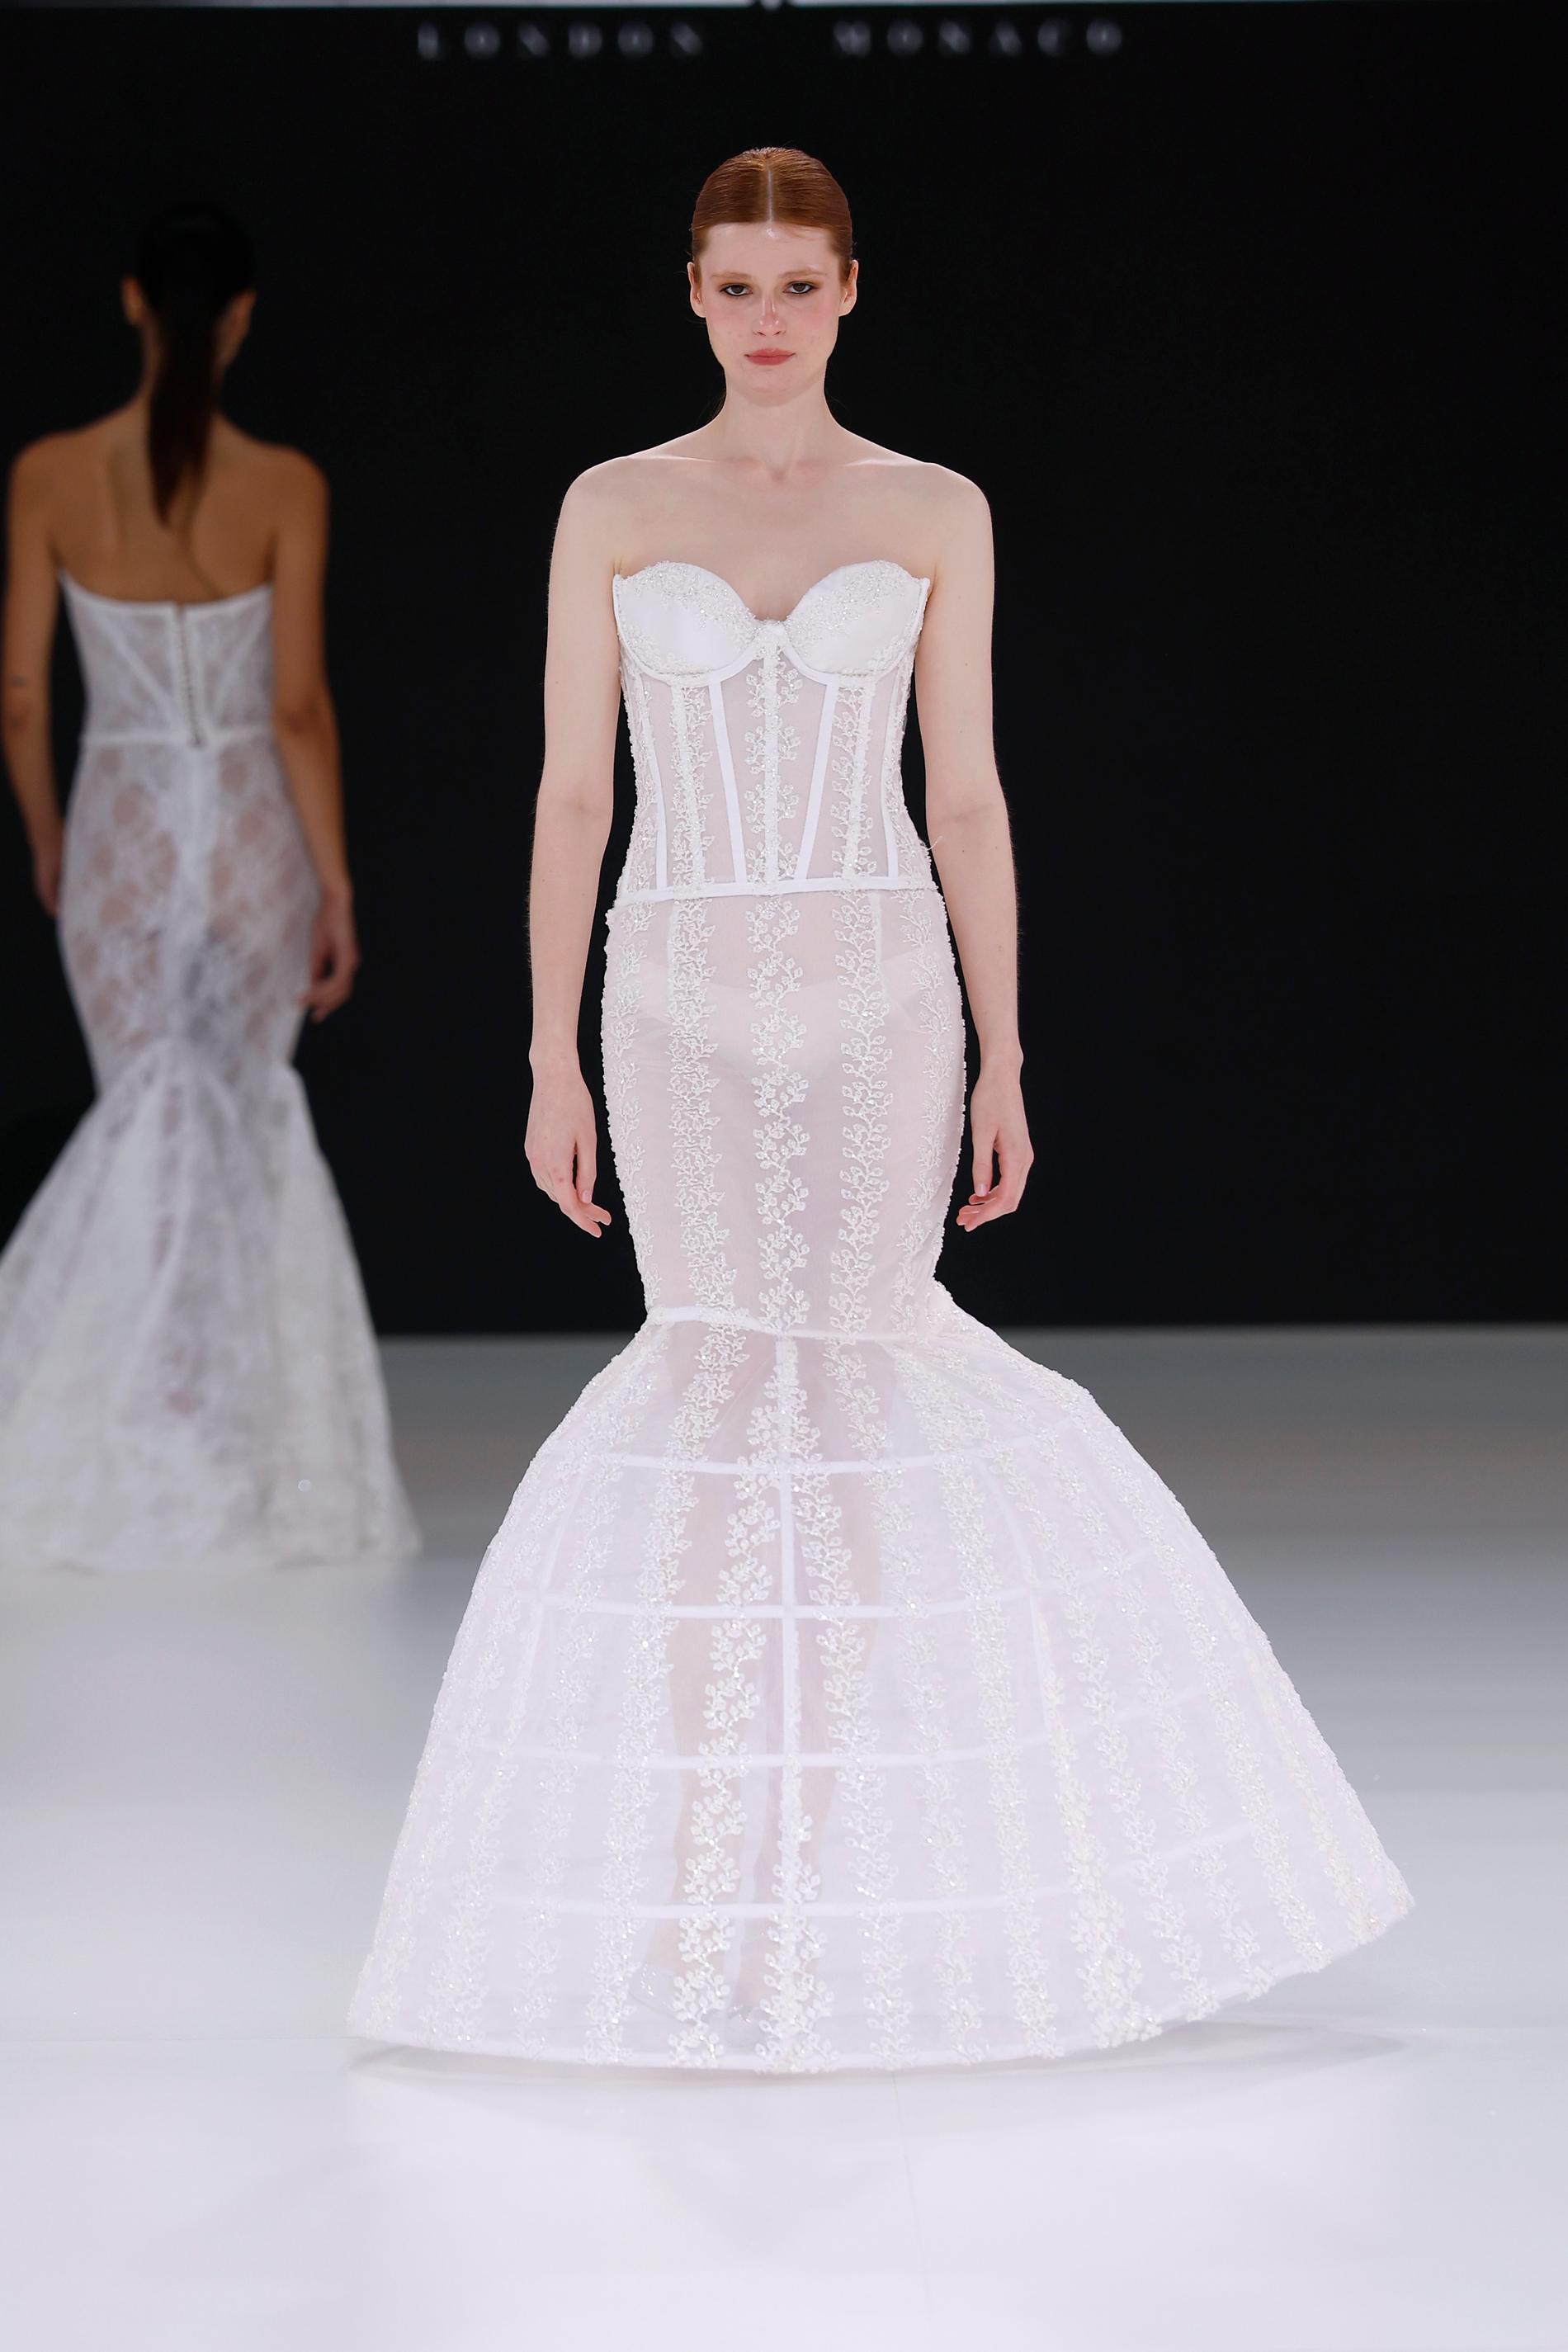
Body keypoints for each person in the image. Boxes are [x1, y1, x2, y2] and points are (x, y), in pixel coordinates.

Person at [349, 149, 1410, 2071]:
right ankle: (706, 1876)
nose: (764, 319)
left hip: (874, 992)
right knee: (705, 1386)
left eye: (795, 284)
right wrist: (545, 1052)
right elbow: (571, 795)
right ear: (689, 293)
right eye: (732, 284)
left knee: (849, 1400)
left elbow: (967, 794)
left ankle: (814, 1868)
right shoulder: (611, 505)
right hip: (673, 989)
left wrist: (1004, 1053)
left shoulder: (931, 509)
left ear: (849, 292)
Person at [0, 201, 418, 1574]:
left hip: (118, 830)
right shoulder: (283, 484)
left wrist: (51, 835)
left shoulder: (52, 475)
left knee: (149, 1117)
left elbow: (20, 696)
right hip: (250, 842)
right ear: (239, 318)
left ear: (133, 303)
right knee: (225, 1127)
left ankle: (131, 1440)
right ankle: (230, 1449)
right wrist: (336, 884)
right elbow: (295, 707)